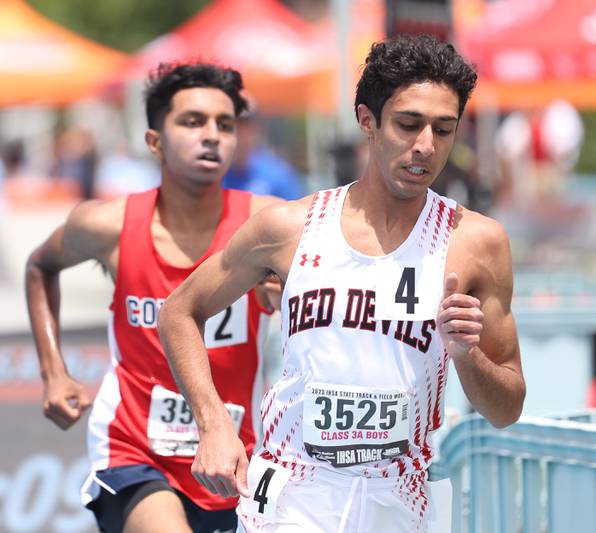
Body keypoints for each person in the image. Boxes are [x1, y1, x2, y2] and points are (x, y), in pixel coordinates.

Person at [158, 35, 526, 532]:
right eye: (408, 124)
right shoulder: (288, 228)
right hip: (292, 498)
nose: (425, 146)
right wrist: (214, 424)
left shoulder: (477, 242)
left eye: (444, 129)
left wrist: (467, 355)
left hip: (400, 500)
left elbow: (506, 409)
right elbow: (179, 311)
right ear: (367, 121)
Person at [26, 62, 280, 533]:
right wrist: (53, 372)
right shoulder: (106, 225)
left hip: (231, 450)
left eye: (225, 124)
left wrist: (283, 293)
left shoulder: (266, 227)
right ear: (154, 141)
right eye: (192, 121)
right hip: (133, 447)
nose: (212, 136)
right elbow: (40, 267)